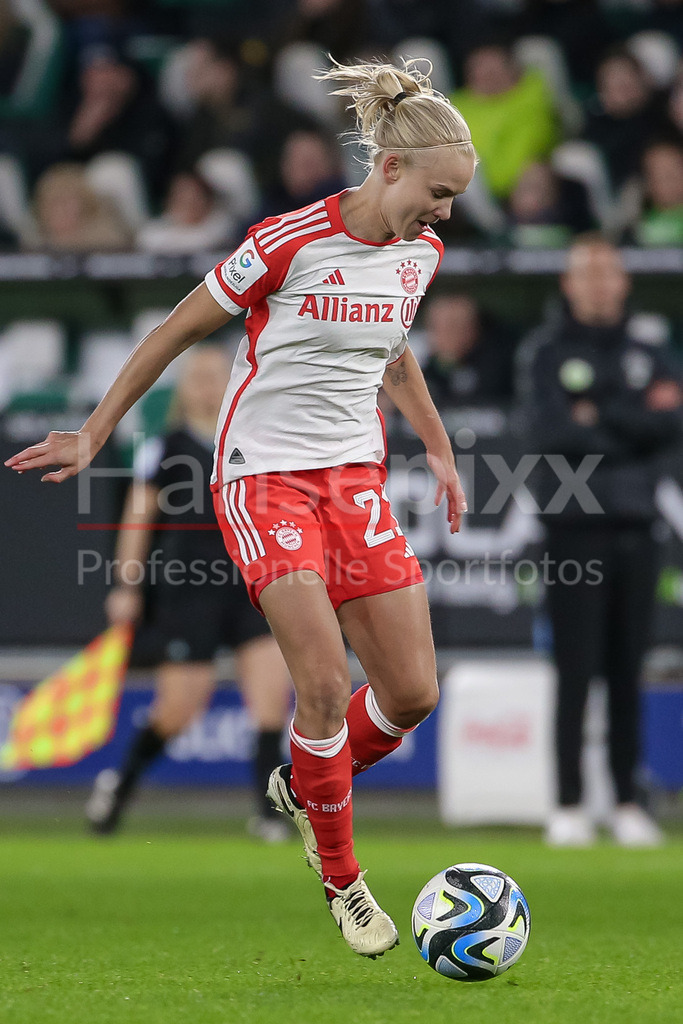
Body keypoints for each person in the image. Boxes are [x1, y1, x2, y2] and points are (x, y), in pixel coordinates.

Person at [5, 57, 474, 959]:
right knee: (326, 686)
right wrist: (96, 431)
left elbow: (393, 350)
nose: (445, 212)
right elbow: (176, 329)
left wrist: (442, 449)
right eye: (439, 192)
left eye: (452, 198)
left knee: (413, 692)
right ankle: (343, 881)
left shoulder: (420, 254)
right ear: (388, 169)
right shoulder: (288, 241)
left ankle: (304, 782)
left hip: (355, 479)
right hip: (263, 478)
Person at [85, 344, 293, 841]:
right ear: (184, 387)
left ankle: (268, 813)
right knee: (178, 709)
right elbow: (139, 517)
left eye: (215, 376)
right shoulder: (167, 446)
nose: (207, 386)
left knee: (270, 701)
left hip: (250, 582)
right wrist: (126, 585)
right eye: (197, 377)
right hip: (188, 588)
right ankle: (118, 786)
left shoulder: (253, 440)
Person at [517, 234, 683, 848]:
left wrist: (598, 414)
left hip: (638, 527)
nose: (596, 283)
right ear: (567, 283)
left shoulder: (649, 347)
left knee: (626, 668)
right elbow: (553, 431)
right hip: (571, 528)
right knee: (575, 668)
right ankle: (567, 802)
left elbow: (668, 422)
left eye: (605, 272)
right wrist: (625, 421)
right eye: (583, 273)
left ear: (622, 281)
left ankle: (627, 802)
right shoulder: (546, 351)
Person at [420, 292, 515, 407]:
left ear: (474, 328)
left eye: (454, 326)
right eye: (436, 327)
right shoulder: (425, 368)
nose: (447, 335)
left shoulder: (497, 365)